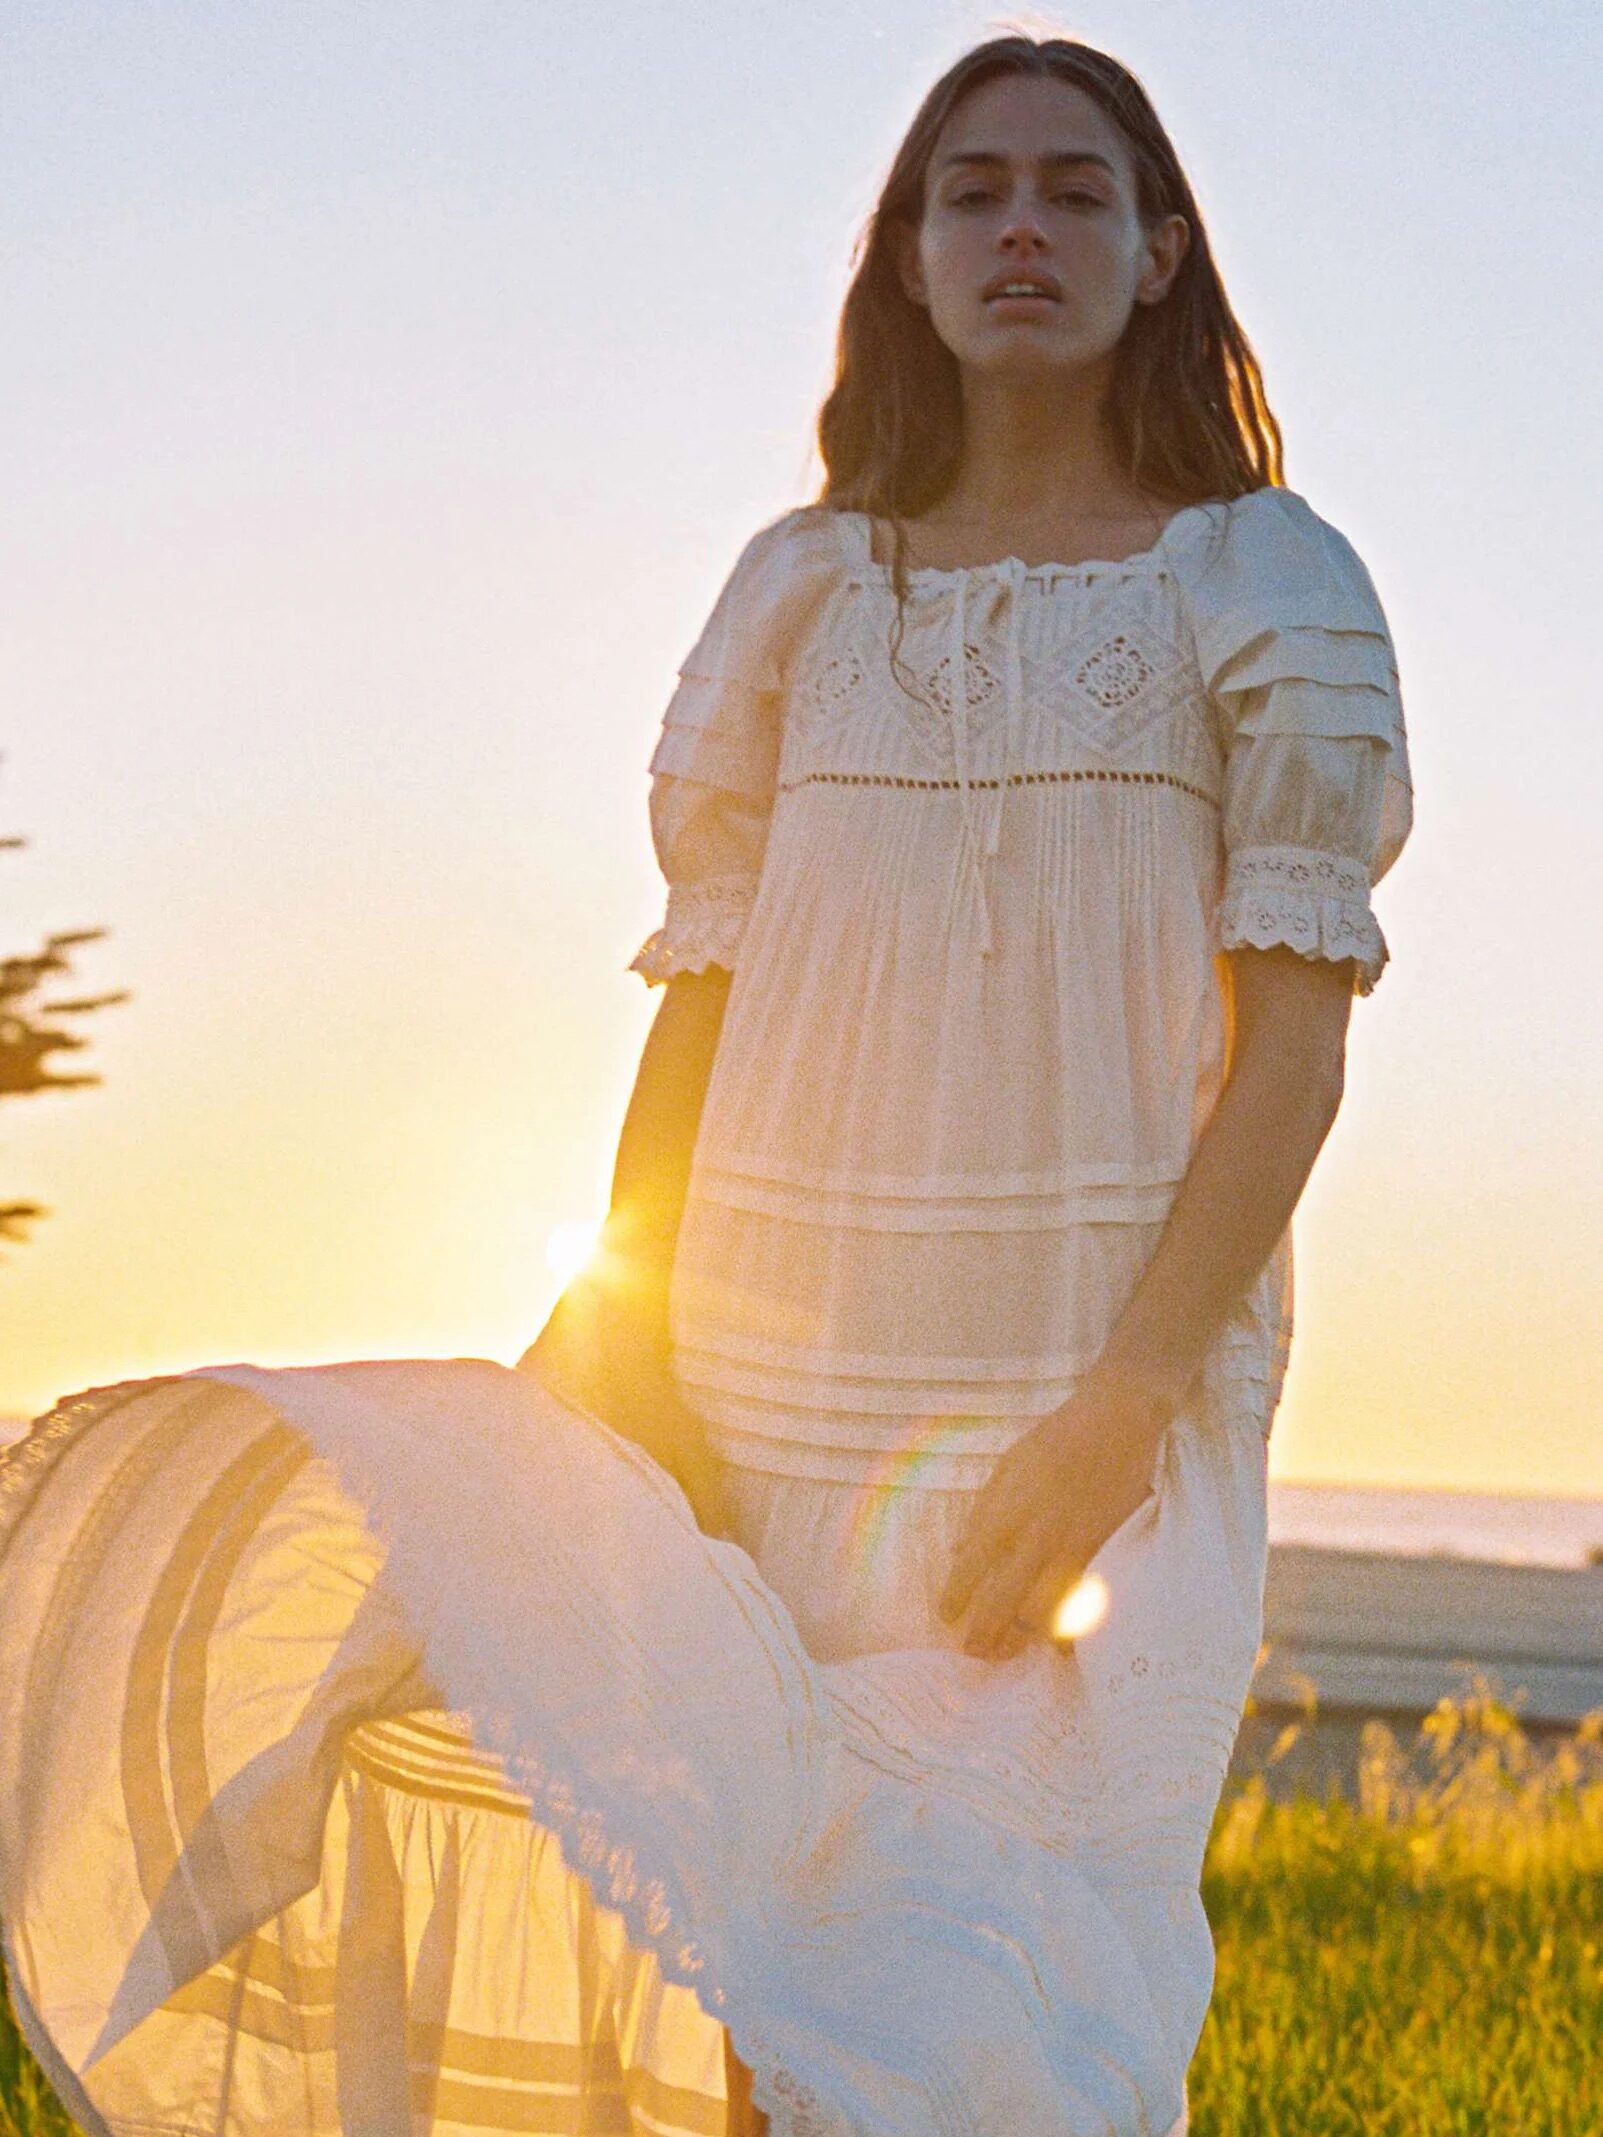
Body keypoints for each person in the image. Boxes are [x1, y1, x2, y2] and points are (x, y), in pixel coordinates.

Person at [0, 33, 1413, 2137]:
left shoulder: (1265, 583)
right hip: (760, 1389)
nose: (1019, 225)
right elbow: (701, 1006)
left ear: (1156, 253)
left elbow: (1292, 1050)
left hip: (1097, 1395)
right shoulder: (798, 592)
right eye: (972, 192)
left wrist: (1121, 1405)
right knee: (756, 2001)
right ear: (909, 261)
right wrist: (631, 1324)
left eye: (1072, 190)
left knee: (1004, 2005)